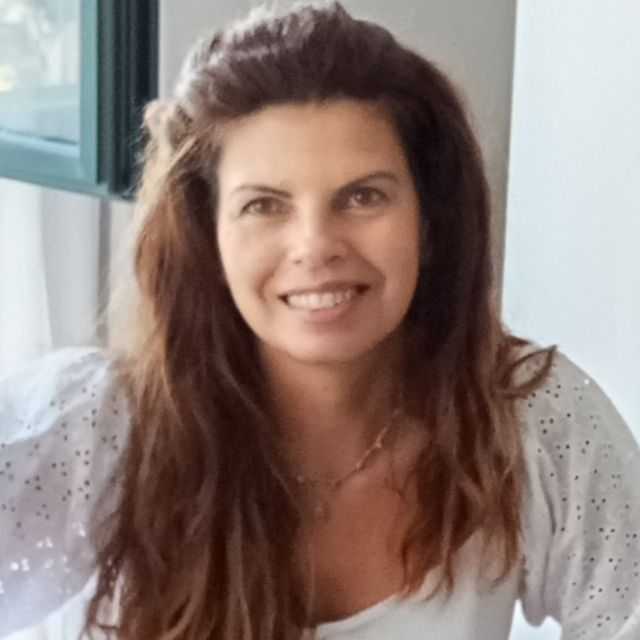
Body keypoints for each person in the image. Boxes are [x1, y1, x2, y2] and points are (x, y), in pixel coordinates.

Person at [1, 3, 639, 639]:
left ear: (429, 222)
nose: (315, 246)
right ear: (207, 237)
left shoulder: (534, 418)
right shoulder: (97, 427)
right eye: (264, 205)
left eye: (363, 196)